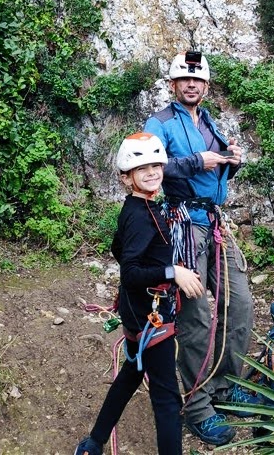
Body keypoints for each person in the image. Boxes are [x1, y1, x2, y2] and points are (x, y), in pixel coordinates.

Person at [144, 51, 258, 447]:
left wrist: (231, 161)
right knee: (196, 317)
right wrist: (197, 161)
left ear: (206, 87)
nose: (191, 85)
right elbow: (152, 169)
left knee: (240, 302)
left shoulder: (210, 123)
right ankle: (197, 406)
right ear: (173, 85)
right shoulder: (159, 123)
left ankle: (225, 386)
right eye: (184, 79)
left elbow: (215, 169)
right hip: (182, 224)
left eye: (198, 80)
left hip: (213, 221)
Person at [74, 132, 204, 455]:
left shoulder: (140, 207)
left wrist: (163, 276)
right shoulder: (140, 216)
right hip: (152, 321)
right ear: (126, 177)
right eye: (142, 169)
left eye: (156, 166)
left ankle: (93, 443)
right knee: (167, 400)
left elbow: (118, 247)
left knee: (131, 375)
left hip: (139, 315)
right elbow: (130, 271)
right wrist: (172, 273)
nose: (152, 173)